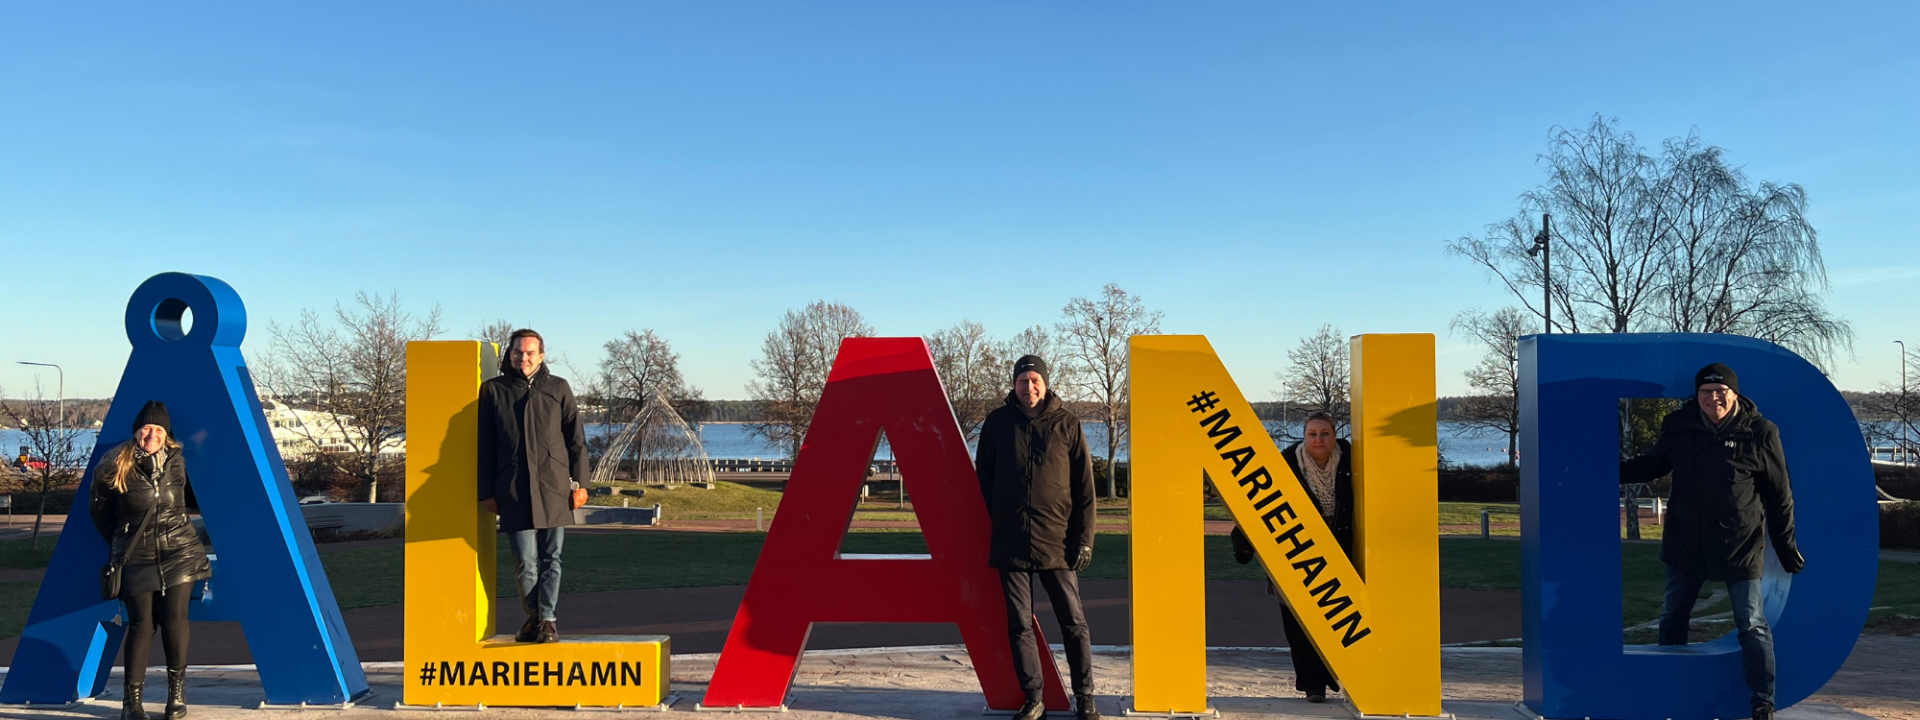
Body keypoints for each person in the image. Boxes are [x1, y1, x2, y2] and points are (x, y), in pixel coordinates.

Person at [1621, 363, 1804, 720]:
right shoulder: (1678, 426)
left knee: (1751, 623)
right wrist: (1605, 468)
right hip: (1686, 541)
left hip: (1740, 544)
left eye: (1721, 392)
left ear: (1735, 394)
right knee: (1673, 615)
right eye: (1706, 392)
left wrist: (1785, 544)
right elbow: (1654, 464)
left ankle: (1763, 700)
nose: (1713, 398)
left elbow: (1779, 493)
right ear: (1697, 395)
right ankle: (1671, 689)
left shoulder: (1761, 432)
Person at [975, 355, 1098, 720]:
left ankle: (1085, 696)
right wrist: (1001, 516)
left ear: (1045, 384)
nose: (1028, 387)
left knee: (1073, 622)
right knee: (1019, 625)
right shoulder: (997, 423)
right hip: (1011, 543)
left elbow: (1085, 489)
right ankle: (1034, 698)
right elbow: (985, 478)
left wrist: (1085, 539)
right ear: (1013, 385)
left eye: (1034, 381)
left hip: (1057, 543)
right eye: (1022, 381)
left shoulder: (1068, 424)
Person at [90, 401, 210, 720]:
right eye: (146, 428)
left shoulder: (180, 462)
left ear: (167, 434)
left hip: (179, 552)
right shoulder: (114, 465)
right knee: (142, 625)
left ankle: (176, 698)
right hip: (136, 555)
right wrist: (124, 541)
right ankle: (132, 704)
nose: (151, 434)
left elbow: (201, 500)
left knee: (175, 620)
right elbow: (100, 513)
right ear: (136, 431)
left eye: (158, 429)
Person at [1228, 411, 1352, 704]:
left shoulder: (1351, 461)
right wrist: (1243, 542)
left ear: (1335, 435)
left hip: (1341, 552)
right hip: (1295, 552)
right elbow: (1259, 501)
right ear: (1304, 436)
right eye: (1312, 434)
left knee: (1340, 617)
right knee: (1297, 622)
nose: (1319, 439)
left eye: (1325, 433)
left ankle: (1342, 674)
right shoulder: (1285, 463)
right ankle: (1313, 685)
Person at [479, 328, 589, 643]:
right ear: (509, 355)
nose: (523, 357)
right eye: (518, 352)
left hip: (554, 488)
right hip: (512, 488)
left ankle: (547, 621)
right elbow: (485, 446)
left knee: (551, 558)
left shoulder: (559, 388)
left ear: (541, 356)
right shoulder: (493, 391)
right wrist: (487, 491)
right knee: (524, 561)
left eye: (530, 352)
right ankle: (537, 617)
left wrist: (581, 484)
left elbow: (576, 441)